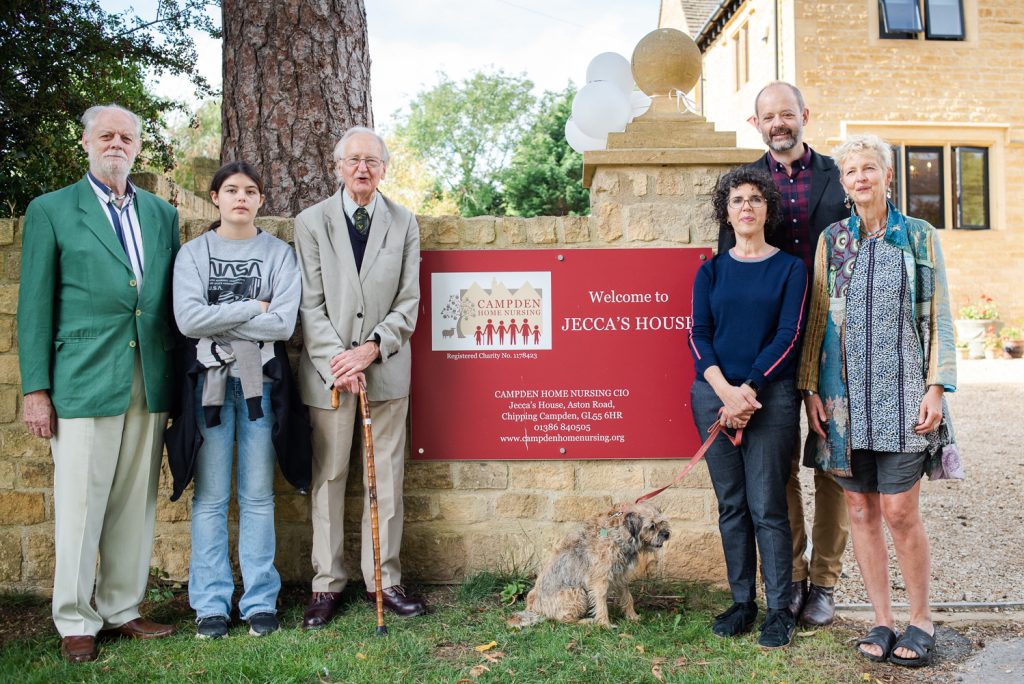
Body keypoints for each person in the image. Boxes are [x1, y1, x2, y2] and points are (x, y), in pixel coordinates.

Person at [17, 104, 179, 663]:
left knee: (135, 500)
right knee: (81, 504)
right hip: (83, 379)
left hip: (148, 376)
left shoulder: (161, 214)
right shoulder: (52, 210)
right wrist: (35, 389)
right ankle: (75, 618)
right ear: (86, 143)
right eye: (105, 135)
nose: (116, 143)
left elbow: (166, 302)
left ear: (138, 147)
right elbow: (33, 306)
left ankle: (122, 608)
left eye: (126, 136)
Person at [798, 134, 956, 667]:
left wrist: (937, 386)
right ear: (842, 183)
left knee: (900, 511)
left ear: (888, 176)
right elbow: (817, 320)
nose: (860, 178)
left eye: (870, 168)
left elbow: (939, 318)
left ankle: (921, 619)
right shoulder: (831, 241)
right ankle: (882, 620)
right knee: (860, 508)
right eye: (851, 172)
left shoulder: (917, 237)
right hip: (844, 403)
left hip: (905, 397)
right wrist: (810, 389)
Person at [718, 81, 850, 627]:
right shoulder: (743, 186)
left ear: (804, 116)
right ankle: (790, 578)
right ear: (757, 124)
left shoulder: (839, 177)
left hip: (834, 339)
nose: (779, 123)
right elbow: (727, 267)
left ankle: (824, 582)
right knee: (778, 469)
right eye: (769, 115)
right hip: (771, 347)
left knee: (833, 461)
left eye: (787, 113)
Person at [166, 161, 308, 639]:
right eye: (231, 190)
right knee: (209, 498)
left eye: (251, 190)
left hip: (260, 386)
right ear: (215, 198)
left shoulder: (279, 255)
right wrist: (254, 307)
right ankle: (209, 604)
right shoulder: (192, 254)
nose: (241, 198)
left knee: (258, 496)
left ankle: (259, 600)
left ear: (262, 200)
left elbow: (284, 325)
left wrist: (218, 318)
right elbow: (187, 320)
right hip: (208, 385)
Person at [294, 126, 424, 627]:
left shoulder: (404, 222)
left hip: (386, 373)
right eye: (353, 161)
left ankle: (384, 580)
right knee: (329, 478)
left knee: (385, 480)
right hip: (328, 375)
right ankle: (326, 584)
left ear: (384, 168)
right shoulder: (311, 223)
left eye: (372, 161)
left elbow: (408, 302)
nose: (362, 169)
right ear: (338, 166)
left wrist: (371, 350)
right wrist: (340, 361)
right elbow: (309, 303)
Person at [689, 168, 808, 649]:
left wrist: (749, 391)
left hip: (770, 397)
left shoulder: (790, 268)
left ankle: (778, 610)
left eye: (755, 199)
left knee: (768, 506)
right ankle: (742, 602)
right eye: (737, 199)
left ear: (767, 210)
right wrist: (725, 392)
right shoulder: (711, 271)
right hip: (713, 397)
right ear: (726, 211)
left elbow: (790, 334)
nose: (746, 206)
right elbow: (698, 336)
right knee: (732, 505)